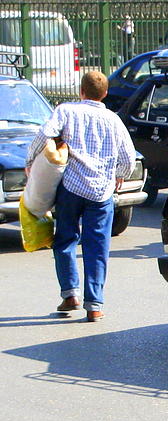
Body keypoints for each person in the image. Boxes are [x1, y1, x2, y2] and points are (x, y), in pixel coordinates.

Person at [25, 70, 136, 321]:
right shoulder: (113, 120)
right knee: (97, 247)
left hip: (71, 188)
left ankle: (70, 294)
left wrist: (30, 160)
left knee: (65, 240)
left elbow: (45, 134)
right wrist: (118, 175)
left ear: (81, 91)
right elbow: (128, 159)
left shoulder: (66, 110)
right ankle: (94, 304)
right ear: (105, 94)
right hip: (101, 192)